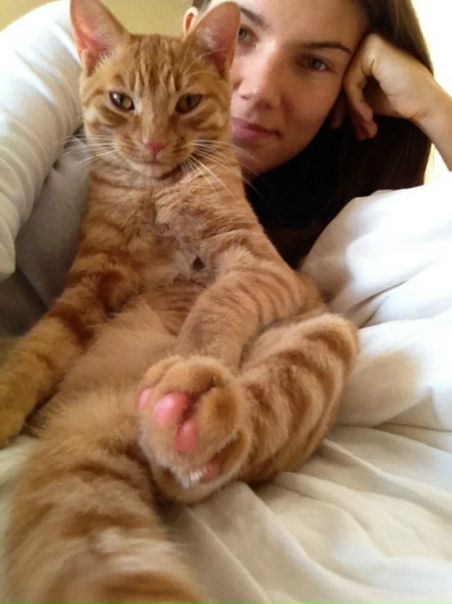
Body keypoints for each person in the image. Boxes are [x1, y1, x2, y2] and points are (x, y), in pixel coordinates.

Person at [0, 0, 451, 334]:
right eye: (242, 36)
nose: (259, 90)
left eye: (315, 63)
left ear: (348, 86)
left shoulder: (323, 233)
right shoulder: (76, 51)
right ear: (194, 30)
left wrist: (432, 107)